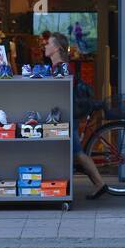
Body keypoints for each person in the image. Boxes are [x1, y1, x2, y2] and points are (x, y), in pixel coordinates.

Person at [45, 32, 108, 200]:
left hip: (68, 114)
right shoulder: (58, 66)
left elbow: (62, 94)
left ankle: (100, 183)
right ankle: (98, 184)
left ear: (57, 47)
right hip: (67, 114)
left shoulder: (63, 67)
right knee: (75, 152)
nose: (45, 46)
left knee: (78, 152)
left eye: (48, 43)